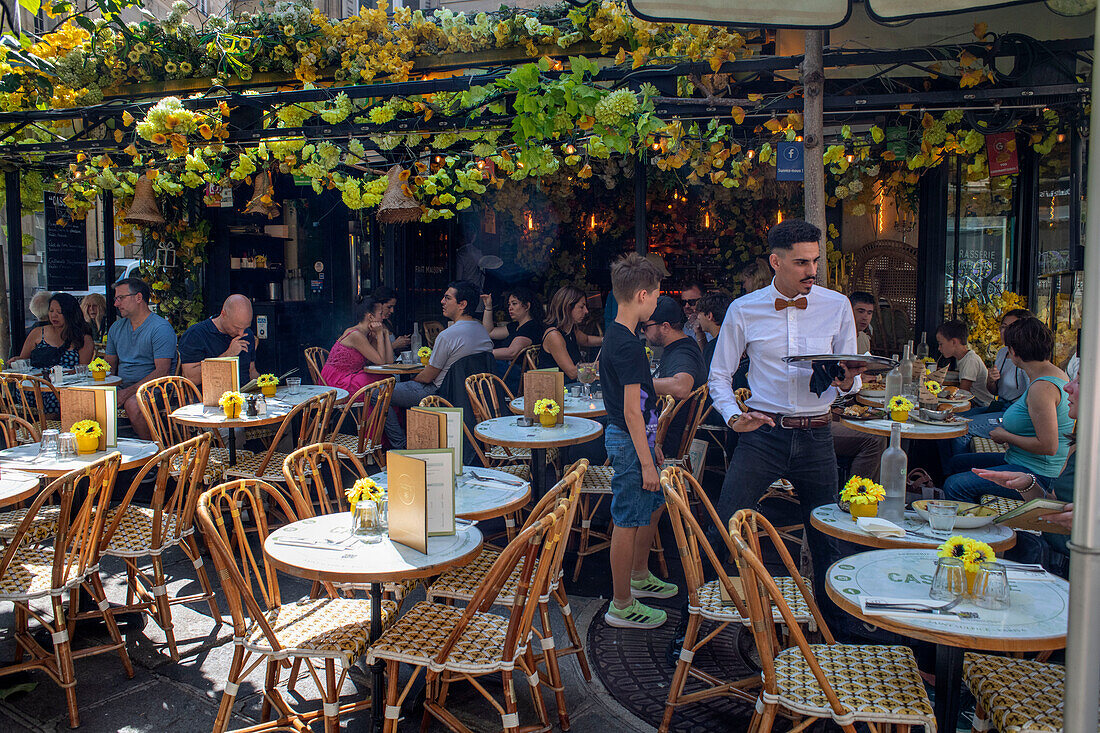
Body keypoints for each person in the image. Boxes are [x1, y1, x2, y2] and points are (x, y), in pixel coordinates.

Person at [708, 219, 863, 611]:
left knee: (828, 536)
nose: (812, 271)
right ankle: (700, 615)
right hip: (763, 433)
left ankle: (835, 632)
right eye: (801, 263)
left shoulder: (836, 305)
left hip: (817, 434)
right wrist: (732, 417)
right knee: (726, 524)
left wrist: (847, 381)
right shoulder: (744, 309)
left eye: (814, 261)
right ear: (775, 262)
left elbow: (852, 382)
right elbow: (719, 376)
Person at [600, 253, 677, 629]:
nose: (658, 300)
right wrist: (645, 460)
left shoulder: (617, 336)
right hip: (629, 442)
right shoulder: (628, 344)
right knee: (628, 519)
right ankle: (621, 604)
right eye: (658, 293)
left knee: (645, 508)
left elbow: (636, 409)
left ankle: (638, 576)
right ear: (643, 295)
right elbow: (632, 410)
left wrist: (650, 445)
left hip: (633, 440)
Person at [944, 317, 1072, 503]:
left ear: (1013, 352)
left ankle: (972, 526)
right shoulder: (1052, 374)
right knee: (957, 463)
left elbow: (1048, 446)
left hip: (1037, 474)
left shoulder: (1042, 388)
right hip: (1019, 460)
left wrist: (1006, 436)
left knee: (954, 485)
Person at [971, 375, 1078, 576]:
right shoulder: (1077, 445)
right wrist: (1027, 484)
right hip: (1048, 561)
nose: (1068, 387)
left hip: (1081, 576)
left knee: (956, 485)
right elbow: (1053, 505)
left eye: (1078, 382)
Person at [387, 281, 493, 446]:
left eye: (447, 298)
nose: (442, 301)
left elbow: (428, 377)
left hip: (441, 393)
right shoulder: (482, 332)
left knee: (378, 393)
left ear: (462, 304)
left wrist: (413, 379)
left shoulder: (448, 336)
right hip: (473, 395)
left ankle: (401, 445)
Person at [106, 277, 177, 440]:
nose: (116, 304)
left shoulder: (160, 328)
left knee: (133, 404)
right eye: (115, 299)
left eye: (120, 298)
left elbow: (162, 371)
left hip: (155, 388)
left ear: (138, 298)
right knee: (87, 399)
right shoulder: (116, 327)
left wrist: (127, 393)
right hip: (122, 386)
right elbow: (107, 366)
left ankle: (154, 455)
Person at [645, 295, 707, 457]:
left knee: (601, 430)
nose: (643, 332)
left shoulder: (683, 353)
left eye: (646, 327)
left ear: (665, 327)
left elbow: (681, 387)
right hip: (662, 431)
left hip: (663, 440)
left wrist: (636, 382)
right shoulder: (684, 345)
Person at [18, 293, 93, 414]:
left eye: (59, 312)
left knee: (58, 400)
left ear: (69, 313)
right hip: (35, 387)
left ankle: (48, 430)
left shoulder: (83, 339)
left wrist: (59, 375)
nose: (54, 315)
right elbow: (23, 360)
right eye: (51, 311)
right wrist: (15, 362)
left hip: (64, 388)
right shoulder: (38, 333)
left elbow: (82, 370)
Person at [179, 294, 259, 388]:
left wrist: (265, 384)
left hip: (244, 396)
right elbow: (191, 378)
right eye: (236, 328)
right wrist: (228, 356)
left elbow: (251, 371)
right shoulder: (196, 334)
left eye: (245, 328)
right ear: (223, 314)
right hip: (210, 399)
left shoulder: (247, 334)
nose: (241, 333)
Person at [321, 296, 394, 393]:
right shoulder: (356, 335)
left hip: (350, 377)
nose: (383, 317)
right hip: (337, 382)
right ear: (370, 317)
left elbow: (388, 363)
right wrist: (380, 334)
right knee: (386, 382)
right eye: (380, 314)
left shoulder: (368, 334)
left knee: (388, 379)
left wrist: (385, 334)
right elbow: (380, 361)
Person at [539, 285, 603, 381]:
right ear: (568, 308)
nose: (586, 311)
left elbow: (586, 340)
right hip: (557, 390)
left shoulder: (570, 330)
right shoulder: (554, 335)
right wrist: (599, 364)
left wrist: (606, 340)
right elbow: (572, 372)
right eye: (581, 307)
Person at [935, 320, 995, 409]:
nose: (939, 348)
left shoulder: (970, 360)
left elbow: (963, 393)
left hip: (981, 405)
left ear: (954, 342)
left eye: (941, 344)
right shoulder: (962, 358)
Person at [481, 287, 544, 363]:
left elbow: (511, 352)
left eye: (514, 304)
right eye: (509, 304)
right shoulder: (515, 325)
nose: (510, 308)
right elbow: (490, 332)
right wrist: (488, 307)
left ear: (527, 306)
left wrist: (482, 354)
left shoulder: (531, 326)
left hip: (519, 371)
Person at [986, 308, 1033, 407]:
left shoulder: (1028, 357)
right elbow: (995, 392)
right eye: (1003, 327)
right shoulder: (1002, 352)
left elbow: (1032, 397)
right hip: (1000, 406)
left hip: (1017, 410)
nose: (1005, 331)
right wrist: (991, 380)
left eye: (1012, 327)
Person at [695, 291, 732, 369]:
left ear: (709, 315)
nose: (698, 317)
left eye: (699, 313)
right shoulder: (737, 339)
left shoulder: (713, 348)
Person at [370, 286, 411, 351]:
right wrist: (394, 345)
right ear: (379, 305)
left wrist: (402, 343)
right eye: (389, 307)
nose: (392, 311)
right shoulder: (371, 327)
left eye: (393, 307)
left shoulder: (387, 322)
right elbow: (373, 355)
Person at [679, 282, 706, 347]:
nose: (686, 306)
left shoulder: (711, 325)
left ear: (703, 300)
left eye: (692, 302)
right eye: (683, 302)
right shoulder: (686, 326)